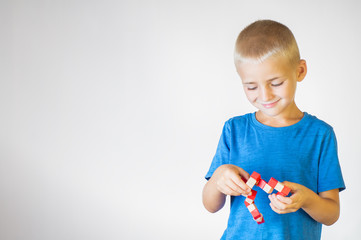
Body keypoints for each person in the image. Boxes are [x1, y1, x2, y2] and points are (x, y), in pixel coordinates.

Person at [202, 19, 345, 240]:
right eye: (251, 87)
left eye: (276, 83)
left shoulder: (320, 135)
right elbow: (210, 205)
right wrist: (218, 178)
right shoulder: (234, 130)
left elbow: (331, 214)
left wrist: (306, 199)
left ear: (300, 71)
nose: (265, 96)